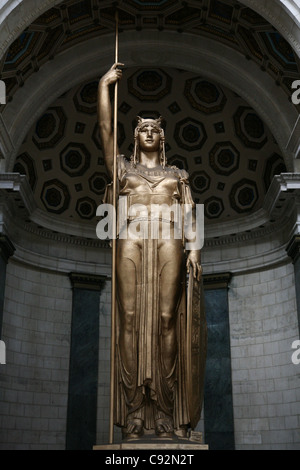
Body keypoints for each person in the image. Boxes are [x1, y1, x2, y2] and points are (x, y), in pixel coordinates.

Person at [98, 63, 202, 440]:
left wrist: (195, 251)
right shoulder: (121, 170)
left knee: (165, 320)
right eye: (142, 128)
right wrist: (104, 87)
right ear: (135, 136)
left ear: (162, 137)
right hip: (131, 238)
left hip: (170, 241)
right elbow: (106, 131)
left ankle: (164, 413)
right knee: (128, 317)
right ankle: (134, 413)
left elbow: (191, 215)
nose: (148, 132)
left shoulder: (178, 175)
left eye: (155, 129)